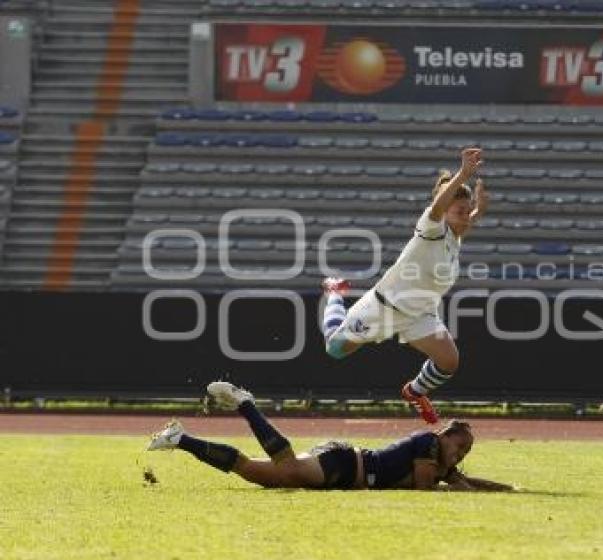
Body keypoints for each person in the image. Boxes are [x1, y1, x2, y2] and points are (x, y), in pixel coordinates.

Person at [319, 147, 490, 424]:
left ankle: (414, 392)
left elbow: (463, 222)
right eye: (460, 211)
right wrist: (462, 175)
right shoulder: (431, 230)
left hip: (419, 314)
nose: (466, 216)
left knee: (449, 362)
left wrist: (479, 210)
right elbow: (438, 209)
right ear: (445, 212)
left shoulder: (453, 237)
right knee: (334, 350)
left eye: (468, 210)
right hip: (383, 309)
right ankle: (335, 294)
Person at [147, 381, 515, 492]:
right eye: (461, 445)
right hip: (342, 463)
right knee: (288, 469)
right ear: (444, 435)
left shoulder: (441, 463)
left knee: (251, 472)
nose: (462, 454)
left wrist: (508, 490)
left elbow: (464, 481)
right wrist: (461, 486)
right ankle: (246, 404)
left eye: (466, 450)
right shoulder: (428, 445)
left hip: (341, 469)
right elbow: (424, 489)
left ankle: (180, 439)